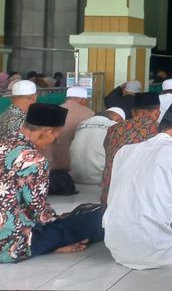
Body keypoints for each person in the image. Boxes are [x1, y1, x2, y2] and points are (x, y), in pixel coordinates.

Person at [104, 103, 172, 269]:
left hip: (118, 248)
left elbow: (111, 200)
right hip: (161, 251)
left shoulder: (125, 151)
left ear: (160, 127)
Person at [0, 103, 104, 263]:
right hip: (9, 245)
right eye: (55, 136)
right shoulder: (34, 160)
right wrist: (62, 222)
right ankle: (49, 244)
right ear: (46, 132)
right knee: (96, 219)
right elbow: (39, 213)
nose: (54, 140)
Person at [100, 92, 161, 206]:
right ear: (157, 112)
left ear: (133, 112)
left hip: (108, 198)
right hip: (141, 203)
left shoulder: (113, 129)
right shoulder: (159, 131)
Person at [69, 107, 124, 185]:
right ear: (119, 118)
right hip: (100, 179)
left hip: (75, 176)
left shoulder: (82, 123)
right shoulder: (115, 126)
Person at [48, 86, 95, 172]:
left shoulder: (53, 111)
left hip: (53, 163)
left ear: (66, 98)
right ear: (83, 100)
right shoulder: (89, 114)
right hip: (77, 165)